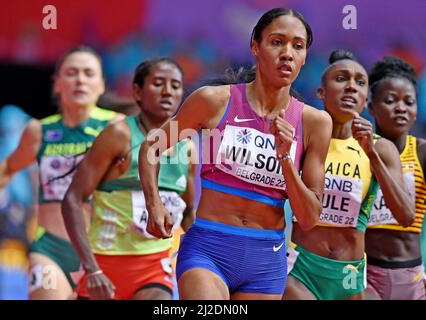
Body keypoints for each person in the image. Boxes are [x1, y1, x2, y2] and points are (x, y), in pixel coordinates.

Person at [138, 8, 333, 300]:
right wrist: (154, 204)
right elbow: (151, 148)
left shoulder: (315, 123)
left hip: (266, 261)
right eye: (277, 42)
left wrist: (285, 160)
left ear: (305, 57)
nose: (288, 53)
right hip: (208, 250)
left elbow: (308, 218)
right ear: (255, 46)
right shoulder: (213, 101)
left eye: (298, 46)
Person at [0, 45, 120, 299]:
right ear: (57, 84)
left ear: (101, 85)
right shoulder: (38, 132)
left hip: (106, 251)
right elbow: (7, 168)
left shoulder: (117, 128)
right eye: (72, 72)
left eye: (89, 73)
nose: (80, 79)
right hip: (51, 249)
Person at [283, 50, 414, 300]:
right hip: (302, 270)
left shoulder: (381, 148)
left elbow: (406, 215)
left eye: (360, 82)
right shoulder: (302, 140)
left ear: (365, 100)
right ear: (322, 93)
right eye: (341, 79)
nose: (352, 87)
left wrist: (372, 155)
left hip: (350, 276)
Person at [62, 57, 196, 300]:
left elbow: (187, 215)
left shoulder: (186, 147)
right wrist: (92, 269)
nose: (167, 92)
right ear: (137, 91)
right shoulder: (118, 135)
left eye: (175, 86)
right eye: (158, 84)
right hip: (104, 265)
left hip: (154, 268)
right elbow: (72, 199)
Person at [365, 56, 425, 300]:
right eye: (390, 101)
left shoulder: (422, 152)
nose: (401, 107)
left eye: (408, 102)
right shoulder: (359, 151)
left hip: (410, 275)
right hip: (365, 275)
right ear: (371, 106)